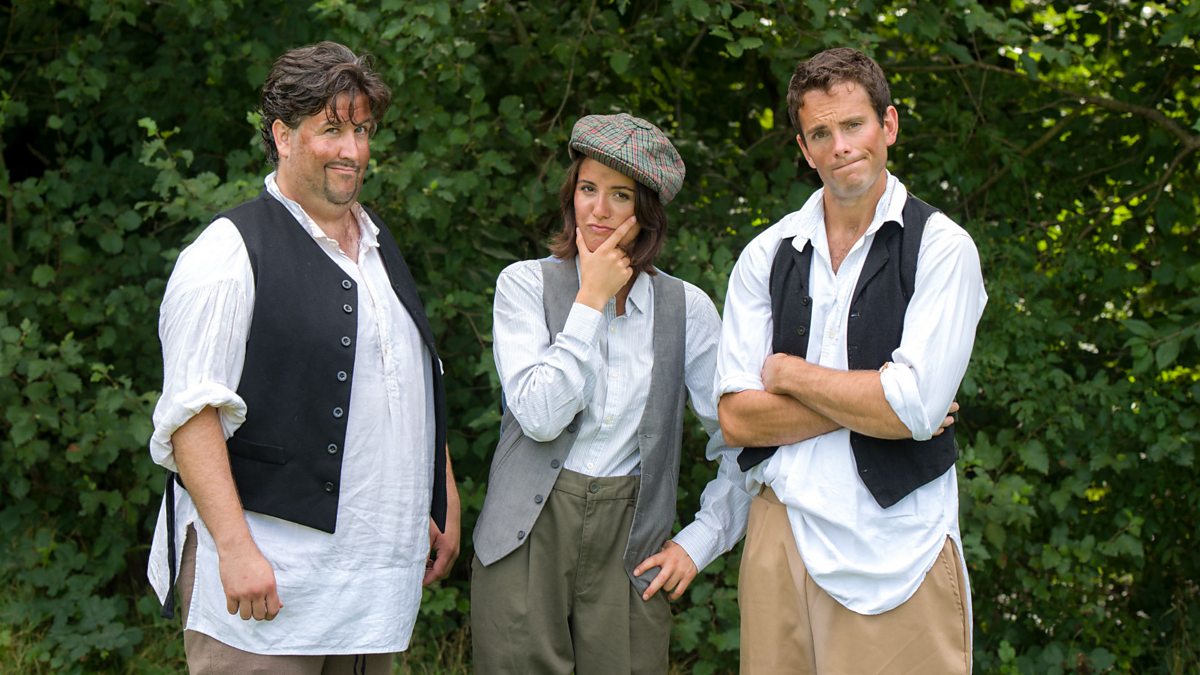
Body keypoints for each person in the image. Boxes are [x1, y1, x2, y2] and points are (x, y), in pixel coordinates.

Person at [145, 41, 459, 673]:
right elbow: (190, 417)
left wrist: (441, 496)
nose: (353, 150)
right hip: (268, 586)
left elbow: (407, 383)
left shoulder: (378, 247)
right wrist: (235, 550)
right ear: (283, 136)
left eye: (362, 130)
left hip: (368, 592)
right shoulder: (227, 254)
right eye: (332, 129)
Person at [716, 47, 987, 673]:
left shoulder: (942, 248)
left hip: (896, 548)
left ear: (888, 125)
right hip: (779, 535)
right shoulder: (767, 254)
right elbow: (737, 419)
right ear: (804, 149)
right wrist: (881, 402)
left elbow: (912, 410)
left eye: (853, 125)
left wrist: (789, 375)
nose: (840, 146)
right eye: (820, 133)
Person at [471, 113, 753, 674]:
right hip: (525, 540)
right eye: (587, 189)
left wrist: (699, 543)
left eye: (620, 195)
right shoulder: (524, 284)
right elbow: (540, 417)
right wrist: (590, 302)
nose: (598, 210)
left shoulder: (688, 309)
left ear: (646, 212)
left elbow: (741, 439)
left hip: (630, 548)